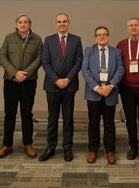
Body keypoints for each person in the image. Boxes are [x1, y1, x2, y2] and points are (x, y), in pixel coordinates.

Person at [0, 14, 43, 159]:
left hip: (29, 82)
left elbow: (39, 58)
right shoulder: (9, 38)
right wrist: (15, 73)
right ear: (16, 24)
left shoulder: (37, 39)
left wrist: (25, 74)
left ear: (29, 24)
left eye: (26, 22)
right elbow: (2, 57)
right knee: (9, 114)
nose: (23, 24)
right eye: (20, 22)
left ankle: (28, 144)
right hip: (11, 82)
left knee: (27, 113)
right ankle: (6, 145)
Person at [40, 13, 83, 162]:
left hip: (69, 86)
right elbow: (45, 62)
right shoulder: (49, 40)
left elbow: (79, 61)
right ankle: (50, 147)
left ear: (69, 23)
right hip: (52, 86)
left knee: (68, 118)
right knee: (52, 119)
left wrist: (68, 79)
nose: (62, 24)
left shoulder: (76, 40)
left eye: (64, 21)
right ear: (56, 23)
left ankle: (67, 148)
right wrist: (57, 80)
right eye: (59, 21)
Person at [82, 26, 124, 164]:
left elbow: (120, 69)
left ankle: (110, 151)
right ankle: (93, 150)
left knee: (109, 124)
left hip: (110, 93)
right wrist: (96, 87)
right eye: (99, 35)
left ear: (108, 36)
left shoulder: (116, 52)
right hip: (93, 94)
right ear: (95, 37)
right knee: (93, 123)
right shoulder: (89, 50)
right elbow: (85, 70)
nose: (102, 37)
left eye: (104, 34)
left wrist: (110, 86)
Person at [116, 17, 139, 162]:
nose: (133, 28)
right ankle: (133, 146)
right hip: (126, 88)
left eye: (136, 25)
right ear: (127, 28)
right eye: (131, 25)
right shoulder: (121, 44)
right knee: (130, 119)